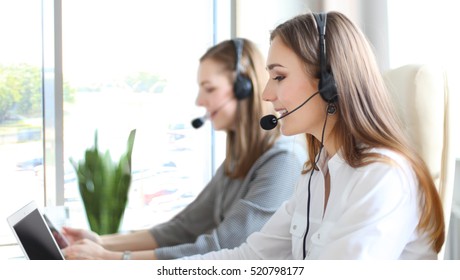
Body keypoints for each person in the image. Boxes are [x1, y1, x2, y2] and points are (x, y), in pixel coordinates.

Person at [180, 11, 445, 260]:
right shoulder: (314, 174)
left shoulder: (383, 176)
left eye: (279, 76)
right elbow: (250, 258)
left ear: (330, 82)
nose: (266, 94)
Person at [62, 38, 305, 260]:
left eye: (209, 89)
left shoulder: (283, 161)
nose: (199, 101)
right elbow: (183, 228)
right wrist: (101, 242)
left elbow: (222, 246)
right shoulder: (238, 161)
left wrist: (111, 260)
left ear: (244, 88)